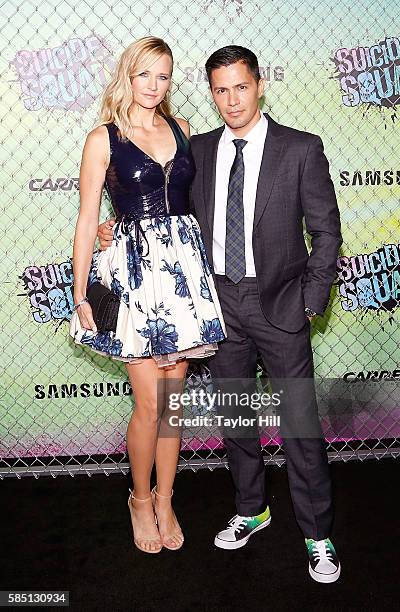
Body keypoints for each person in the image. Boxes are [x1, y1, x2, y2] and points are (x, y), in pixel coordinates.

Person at [98, 45, 342, 582]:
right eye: (221, 90)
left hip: (280, 303)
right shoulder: (197, 147)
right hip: (215, 305)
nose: (232, 100)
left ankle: (318, 535)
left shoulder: (301, 148)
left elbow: (326, 233)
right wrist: (113, 226)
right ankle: (252, 510)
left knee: (299, 423)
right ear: (211, 93)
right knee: (237, 420)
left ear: (259, 85)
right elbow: (159, 204)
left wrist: (310, 301)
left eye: (241, 87)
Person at [69, 36, 226, 554]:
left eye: (163, 76)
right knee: (146, 405)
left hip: (182, 272)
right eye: (144, 75)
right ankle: (139, 499)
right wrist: (81, 293)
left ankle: (165, 499)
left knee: (171, 405)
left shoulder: (181, 130)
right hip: (135, 275)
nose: (154, 86)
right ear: (126, 77)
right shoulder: (103, 138)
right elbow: (89, 220)